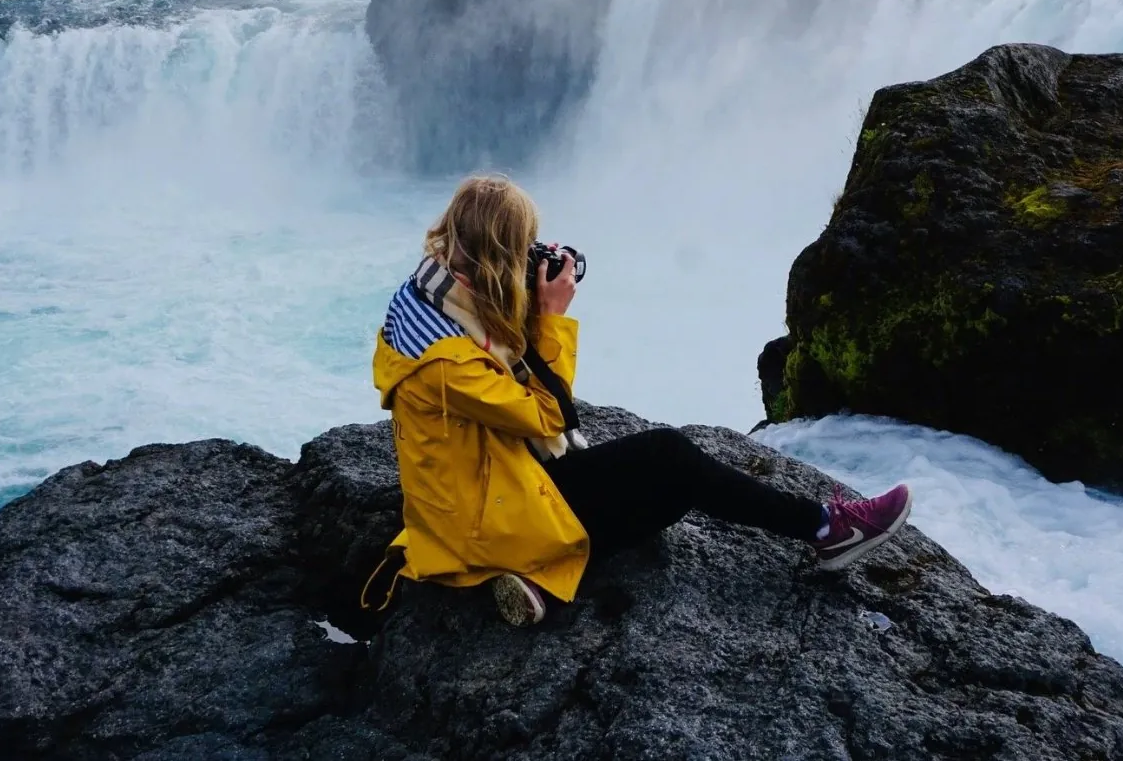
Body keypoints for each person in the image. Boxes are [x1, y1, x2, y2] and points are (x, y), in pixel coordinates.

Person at [365, 173, 913, 627]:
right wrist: (551, 320)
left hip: (476, 489)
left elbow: (499, 361)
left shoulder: (431, 291)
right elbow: (547, 412)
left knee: (671, 491)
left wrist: (525, 291)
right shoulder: (445, 365)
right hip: (486, 513)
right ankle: (825, 529)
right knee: (671, 459)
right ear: (497, 254)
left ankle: (526, 574)